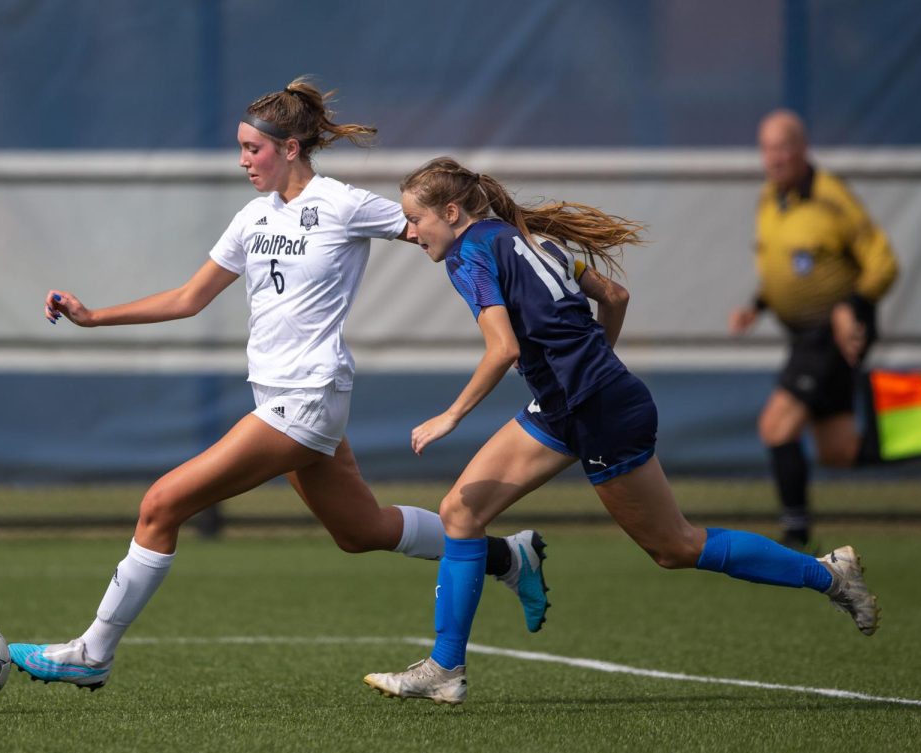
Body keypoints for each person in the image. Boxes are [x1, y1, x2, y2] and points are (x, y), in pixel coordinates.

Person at [7, 79, 549, 691]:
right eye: (239, 149)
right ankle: (509, 556)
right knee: (360, 532)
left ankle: (92, 652)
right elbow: (189, 299)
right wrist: (94, 316)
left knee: (161, 503)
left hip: (309, 397)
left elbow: (440, 228)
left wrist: (517, 272)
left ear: (291, 148)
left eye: (252, 149)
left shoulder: (342, 203)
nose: (243, 160)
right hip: (279, 396)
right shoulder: (253, 217)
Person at [362, 157, 879, 706]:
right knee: (460, 513)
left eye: (416, 220)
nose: (410, 233)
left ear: (450, 211)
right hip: (574, 404)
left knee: (674, 546)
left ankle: (829, 575)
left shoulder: (467, 255)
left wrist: (452, 415)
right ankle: (445, 666)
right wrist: (593, 365)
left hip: (598, 409)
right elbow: (614, 296)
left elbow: (505, 348)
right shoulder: (529, 239)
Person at [728, 109, 921, 551]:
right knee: (839, 451)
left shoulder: (832, 198)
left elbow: (884, 263)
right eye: (766, 148)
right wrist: (757, 305)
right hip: (805, 335)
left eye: (781, 147)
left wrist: (850, 307)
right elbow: (786, 268)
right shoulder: (771, 197)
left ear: (802, 148)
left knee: (776, 427)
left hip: (834, 332)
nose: (773, 158)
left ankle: (794, 534)